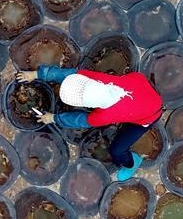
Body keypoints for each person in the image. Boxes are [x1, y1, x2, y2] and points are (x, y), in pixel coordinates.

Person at [16, 66, 164, 181]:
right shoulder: (99, 79)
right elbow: (70, 74)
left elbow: (79, 120)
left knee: (116, 151)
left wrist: (53, 118)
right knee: (132, 104)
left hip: (148, 117)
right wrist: (36, 74)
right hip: (144, 91)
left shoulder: (103, 116)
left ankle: (132, 162)